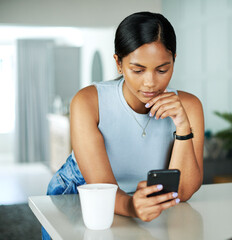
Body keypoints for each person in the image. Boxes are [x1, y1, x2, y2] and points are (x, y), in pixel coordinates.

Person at [41, 11, 204, 239]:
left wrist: (183, 127)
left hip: (142, 201)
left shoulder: (189, 105)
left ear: (174, 60)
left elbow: (182, 192)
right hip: (82, 192)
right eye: (137, 70)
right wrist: (132, 207)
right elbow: (100, 188)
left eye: (162, 70)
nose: (150, 82)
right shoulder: (87, 102)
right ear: (118, 63)